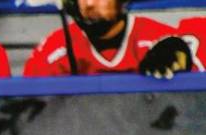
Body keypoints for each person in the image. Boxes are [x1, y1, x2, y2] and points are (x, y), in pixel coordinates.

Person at [23, 0, 192, 78]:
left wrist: (183, 67)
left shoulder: (156, 37)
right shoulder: (54, 48)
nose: (88, 4)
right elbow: (32, 115)